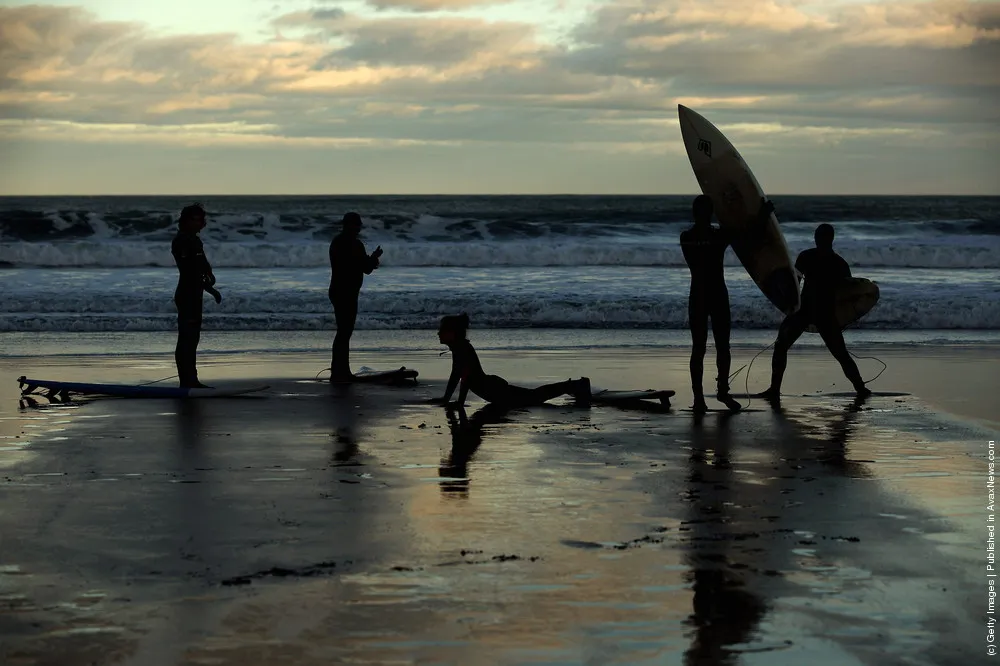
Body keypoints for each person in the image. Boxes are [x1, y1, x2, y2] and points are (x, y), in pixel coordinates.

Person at [680, 195, 774, 412]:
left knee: (704, 348)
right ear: (710, 213)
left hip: (700, 295)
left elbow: (745, 234)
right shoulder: (716, 236)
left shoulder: (688, 237)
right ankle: (715, 393)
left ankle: (706, 397)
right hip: (715, 295)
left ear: (695, 213)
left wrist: (761, 216)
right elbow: (749, 234)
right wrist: (763, 214)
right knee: (717, 347)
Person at [758, 223, 871, 401]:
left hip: (815, 311)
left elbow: (796, 283)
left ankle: (861, 388)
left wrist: (788, 304)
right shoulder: (830, 262)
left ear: (826, 239)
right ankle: (860, 388)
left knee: (839, 353)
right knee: (784, 346)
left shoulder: (822, 260)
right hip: (813, 311)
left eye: (821, 237)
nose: (818, 240)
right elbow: (845, 294)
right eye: (818, 237)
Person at [432, 313, 591, 408]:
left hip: (495, 391)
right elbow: (456, 376)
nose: (438, 334)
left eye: (442, 331)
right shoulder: (459, 347)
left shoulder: (462, 348)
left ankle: (576, 385)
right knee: (534, 396)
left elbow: (465, 378)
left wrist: (459, 403)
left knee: (535, 397)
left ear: (452, 333)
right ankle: (573, 385)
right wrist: (447, 399)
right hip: (493, 389)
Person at [171, 203, 221, 389]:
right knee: (187, 337)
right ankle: (187, 380)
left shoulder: (193, 240)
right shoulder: (183, 240)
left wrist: (208, 278)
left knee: (192, 338)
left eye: (203, 219)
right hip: (187, 293)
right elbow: (190, 270)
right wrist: (210, 288)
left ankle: (191, 379)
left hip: (194, 292)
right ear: (186, 220)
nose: (202, 223)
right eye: (197, 219)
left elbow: (201, 265)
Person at [328, 212, 382, 382]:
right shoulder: (352, 244)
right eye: (355, 225)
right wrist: (373, 259)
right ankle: (340, 372)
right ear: (348, 225)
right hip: (345, 292)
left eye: (358, 225)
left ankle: (339, 371)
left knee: (343, 332)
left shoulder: (338, 242)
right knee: (344, 332)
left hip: (340, 291)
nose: (358, 228)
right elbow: (364, 267)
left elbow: (361, 266)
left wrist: (371, 260)